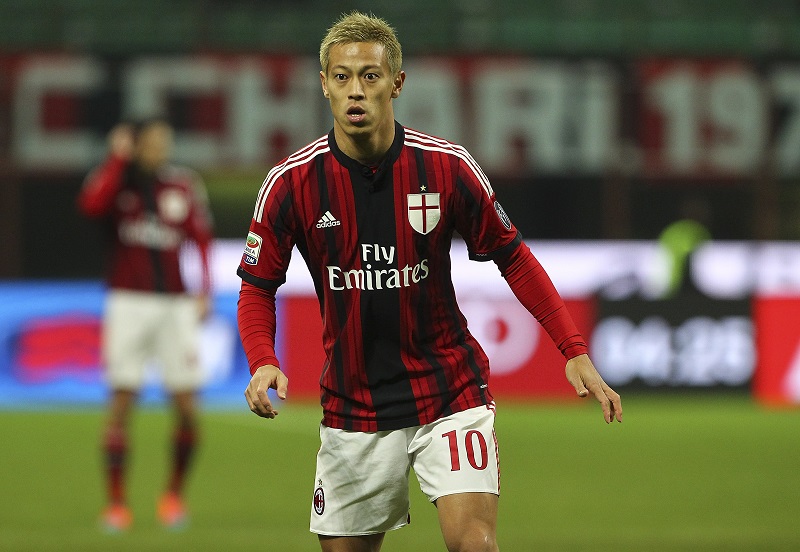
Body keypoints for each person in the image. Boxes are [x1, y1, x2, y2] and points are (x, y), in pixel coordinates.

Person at [237, 11, 622, 552]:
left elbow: (513, 257)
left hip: (448, 391)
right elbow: (257, 287)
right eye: (342, 77)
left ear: (396, 83)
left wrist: (573, 348)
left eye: (370, 76)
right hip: (353, 404)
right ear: (324, 84)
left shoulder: (446, 167)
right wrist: (262, 359)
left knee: (474, 545)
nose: (355, 90)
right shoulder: (291, 183)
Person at [77, 118, 214, 532]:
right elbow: (90, 206)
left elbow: (201, 238)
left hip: (175, 304)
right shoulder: (116, 183)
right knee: (121, 403)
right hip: (128, 303)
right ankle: (116, 504)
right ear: (135, 146)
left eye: (164, 143)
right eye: (152, 143)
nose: (160, 150)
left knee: (187, 409)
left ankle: (173, 496)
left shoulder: (183, 185)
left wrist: (205, 289)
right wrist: (117, 158)